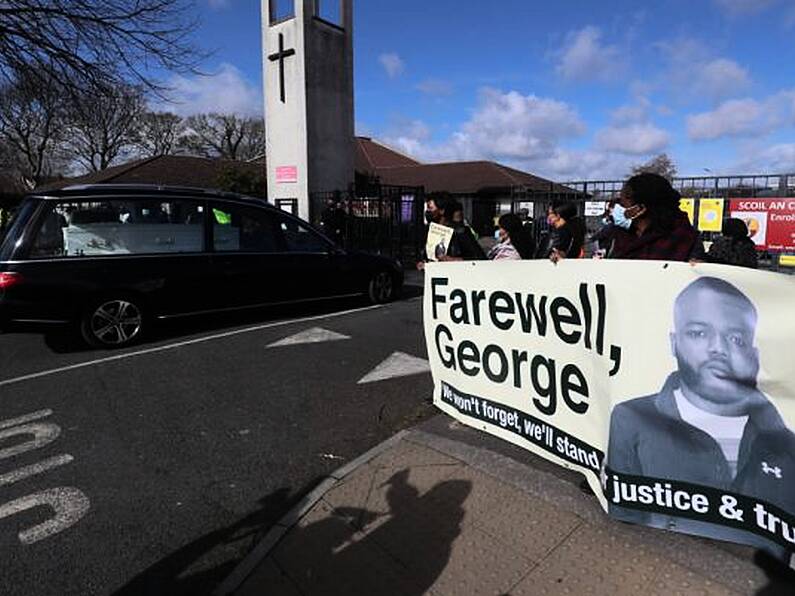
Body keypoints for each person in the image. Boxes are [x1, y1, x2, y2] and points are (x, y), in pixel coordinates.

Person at [608, 277, 795, 555]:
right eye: (698, 333)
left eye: (736, 338)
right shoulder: (631, 419)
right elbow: (626, 514)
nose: (718, 348)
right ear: (674, 343)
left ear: (754, 355)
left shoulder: (785, 444)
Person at [606, 173, 702, 261]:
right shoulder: (615, 235)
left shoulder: (685, 239)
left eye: (622, 203)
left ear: (640, 209)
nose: (617, 207)